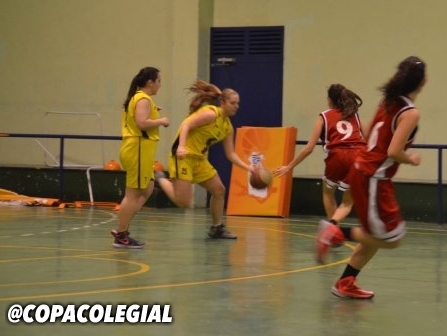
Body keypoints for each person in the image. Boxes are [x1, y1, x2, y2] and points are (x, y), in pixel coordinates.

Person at [316, 56, 427, 299]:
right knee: (392, 238)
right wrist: (411, 158)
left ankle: (345, 282)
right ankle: (335, 233)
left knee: (373, 236)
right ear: (423, 82)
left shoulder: (388, 101)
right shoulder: (410, 112)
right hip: (373, 177)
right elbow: (394, 151)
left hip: (364, 171)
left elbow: (369, 133)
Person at [156, 81, 252, 239]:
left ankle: (217, 228)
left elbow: (231, 154)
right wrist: (181, 146)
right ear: (223, 102)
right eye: (233, 103)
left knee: (219, 190)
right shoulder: (211, 114)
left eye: (238, 103)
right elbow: (186, 125)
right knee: (184, 202)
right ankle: (160, 178)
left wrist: (249, 168)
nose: (236, 106)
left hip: (200, 159)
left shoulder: (227, 127)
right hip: (183, 156)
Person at [273, 84, 366, 223]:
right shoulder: (354, 115)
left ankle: (333, 228)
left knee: (328, 193)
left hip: (337, 155)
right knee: (347, 203)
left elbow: (309, 148)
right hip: (358, 155)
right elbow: (369, 140)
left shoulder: (324, 116)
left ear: (330, 100)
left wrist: (289, 167)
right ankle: (334, 226)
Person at [112, 67, 170, 248]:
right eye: (159, 81)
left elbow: (139, 117)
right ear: (150, 83)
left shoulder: (140, 99)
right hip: (137, 150)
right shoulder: (143, 99)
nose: (160, 85)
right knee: (133, 194)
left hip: (141, 151)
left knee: (147, 189)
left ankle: (123, 223)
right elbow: (141, 123)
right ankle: (121, 234)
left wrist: (153, 111)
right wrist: (161, 120)